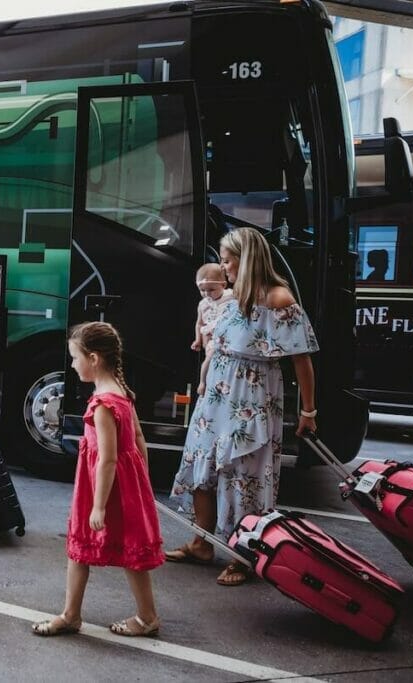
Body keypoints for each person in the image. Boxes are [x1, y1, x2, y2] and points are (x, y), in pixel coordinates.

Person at [166, 227, 319, 586]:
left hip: (251, 397)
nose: (224, 267)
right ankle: (201, 543)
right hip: (217, 394)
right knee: (203, 465)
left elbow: (302, 360)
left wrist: (308, 411)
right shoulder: (233, 298)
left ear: (246, 259)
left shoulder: (279, 299)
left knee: (243, 475)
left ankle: (243, 555)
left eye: (227, 259)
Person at [32, 322, 163, 638]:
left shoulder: (103, 404)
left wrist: (98, 506)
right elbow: (139, 439)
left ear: (93, 358)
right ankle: (135, 615)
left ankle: (79, 615)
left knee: (83, 545)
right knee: (130, 550)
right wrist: (140, 480)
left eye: (75, 358)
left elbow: (107, 458)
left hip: (103, 488)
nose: (73, 365)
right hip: (126, 485)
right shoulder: (121, 392)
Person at [191, 263, 234, 397]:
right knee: (210, 357)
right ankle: (203, 382)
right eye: (202, 290)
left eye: (211, 290)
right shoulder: (203, 304)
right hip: (212, 339)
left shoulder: (231, 297)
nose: (206, 293)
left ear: (223, 285)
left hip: (229, 337)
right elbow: (199, 323)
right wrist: (198, 339)